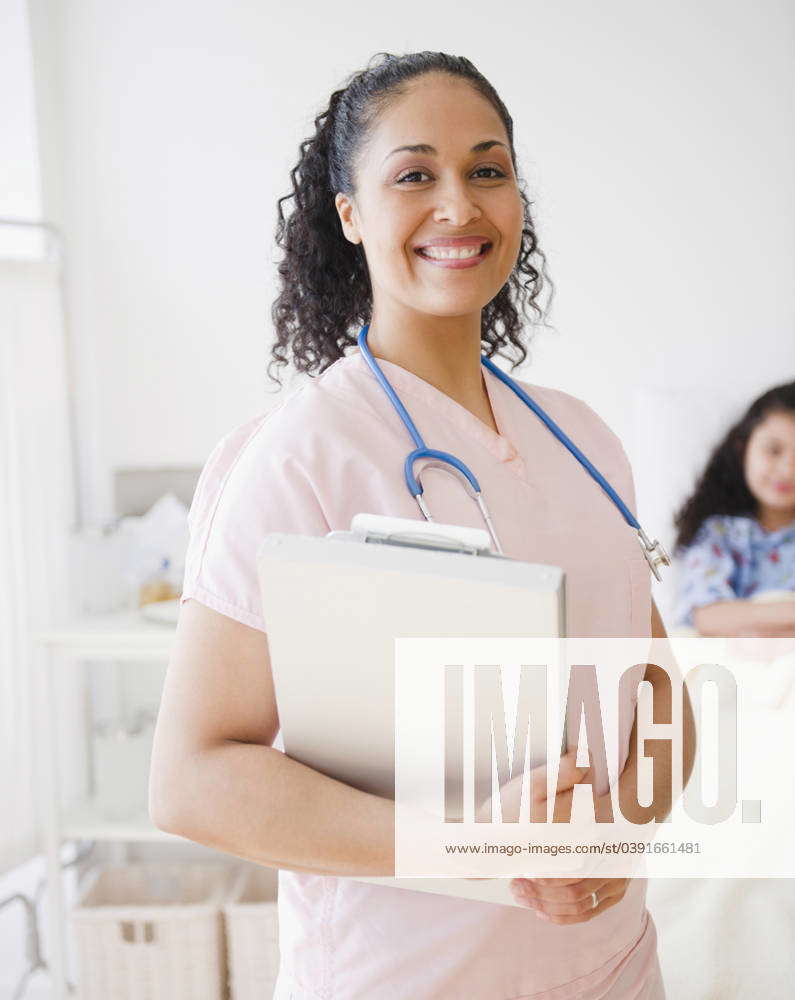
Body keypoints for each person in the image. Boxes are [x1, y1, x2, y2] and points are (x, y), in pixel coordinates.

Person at [149, 52, 684, 999]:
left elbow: (655, 691)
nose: (458, 205)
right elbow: (193, 778)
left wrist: (613, 836)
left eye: (487, 169)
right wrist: (484, 847)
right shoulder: (299, 455)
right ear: (349, 215)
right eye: (412, 175)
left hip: (613, 968)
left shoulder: (583, 435)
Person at [672, 381, 795, 637]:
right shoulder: (721, 533)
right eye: (773, 450)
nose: (787, 469)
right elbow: (705, 615)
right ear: (743, 448)